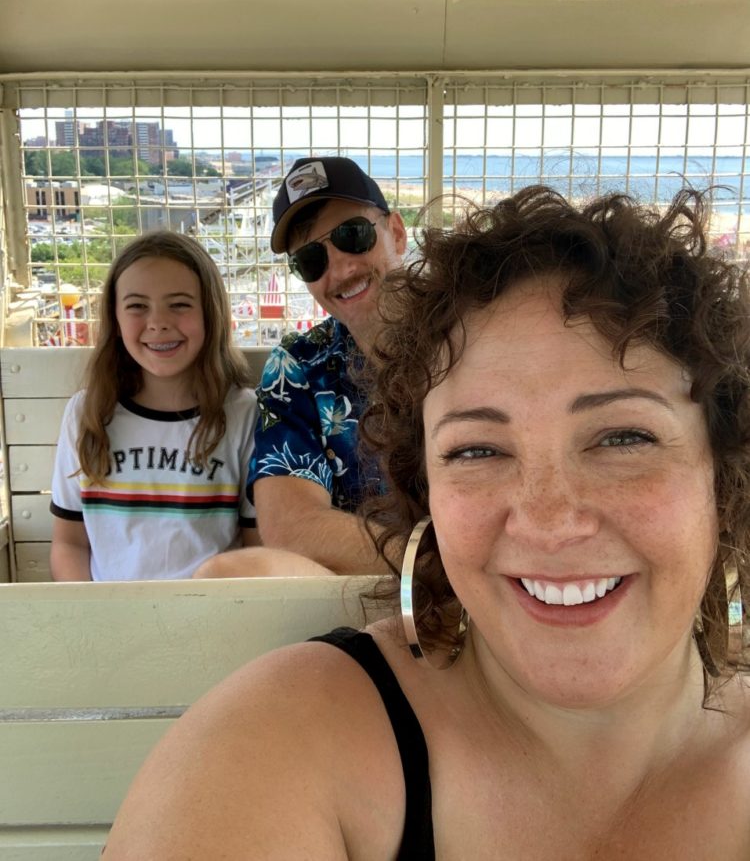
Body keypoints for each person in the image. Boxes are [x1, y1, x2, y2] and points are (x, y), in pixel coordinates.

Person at [102, 186, 750, 858]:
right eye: (477, 450)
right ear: (426, 495)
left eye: (621, 438)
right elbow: (289, 523)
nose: (550, 521)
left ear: (724, 474)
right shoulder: (283, 744)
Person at [195, 156, 408, 579]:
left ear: (397, 234)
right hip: (371, 594)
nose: (341, 269)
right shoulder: (299, 367)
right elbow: (290, 524)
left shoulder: (469, 336)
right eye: (311, 260)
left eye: (353, 235)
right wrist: (437, 567)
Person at [50, 230, 259, 581]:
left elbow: (256, 548)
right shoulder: (87, 413)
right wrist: (87, 617)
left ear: (210, 313)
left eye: (179, 304)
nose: (158, 322)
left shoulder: (243, 413)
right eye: (137, 306)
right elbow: (69, 543)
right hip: (115, 622)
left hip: (212, 621)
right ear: (115, 320)